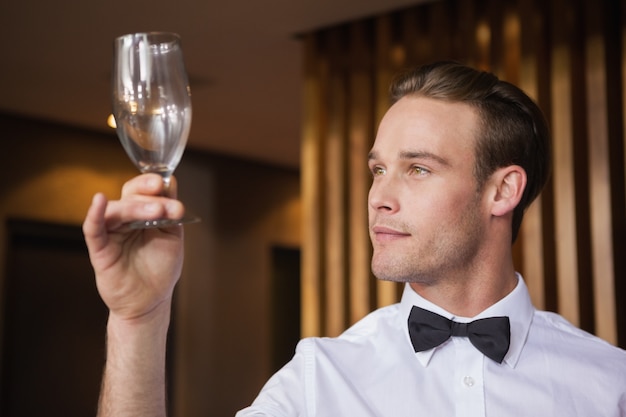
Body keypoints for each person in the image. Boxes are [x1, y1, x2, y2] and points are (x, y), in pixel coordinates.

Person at [83, 61, 626, 417]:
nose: (378, 198)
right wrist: (139, 319)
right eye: (377, 169)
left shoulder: (610, 385)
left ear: (503, 190)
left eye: (417, 170)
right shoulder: (320, 380)